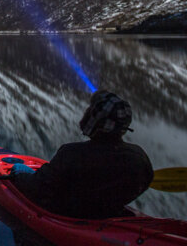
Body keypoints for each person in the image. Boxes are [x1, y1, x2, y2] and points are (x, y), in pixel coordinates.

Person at [10, 90, 154, 219]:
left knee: (18, 169)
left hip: (66, 218)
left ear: (94, 121)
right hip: (107, 220)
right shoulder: (139, 158)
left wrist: (19, 175)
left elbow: (37, 189)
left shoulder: (71, 154)